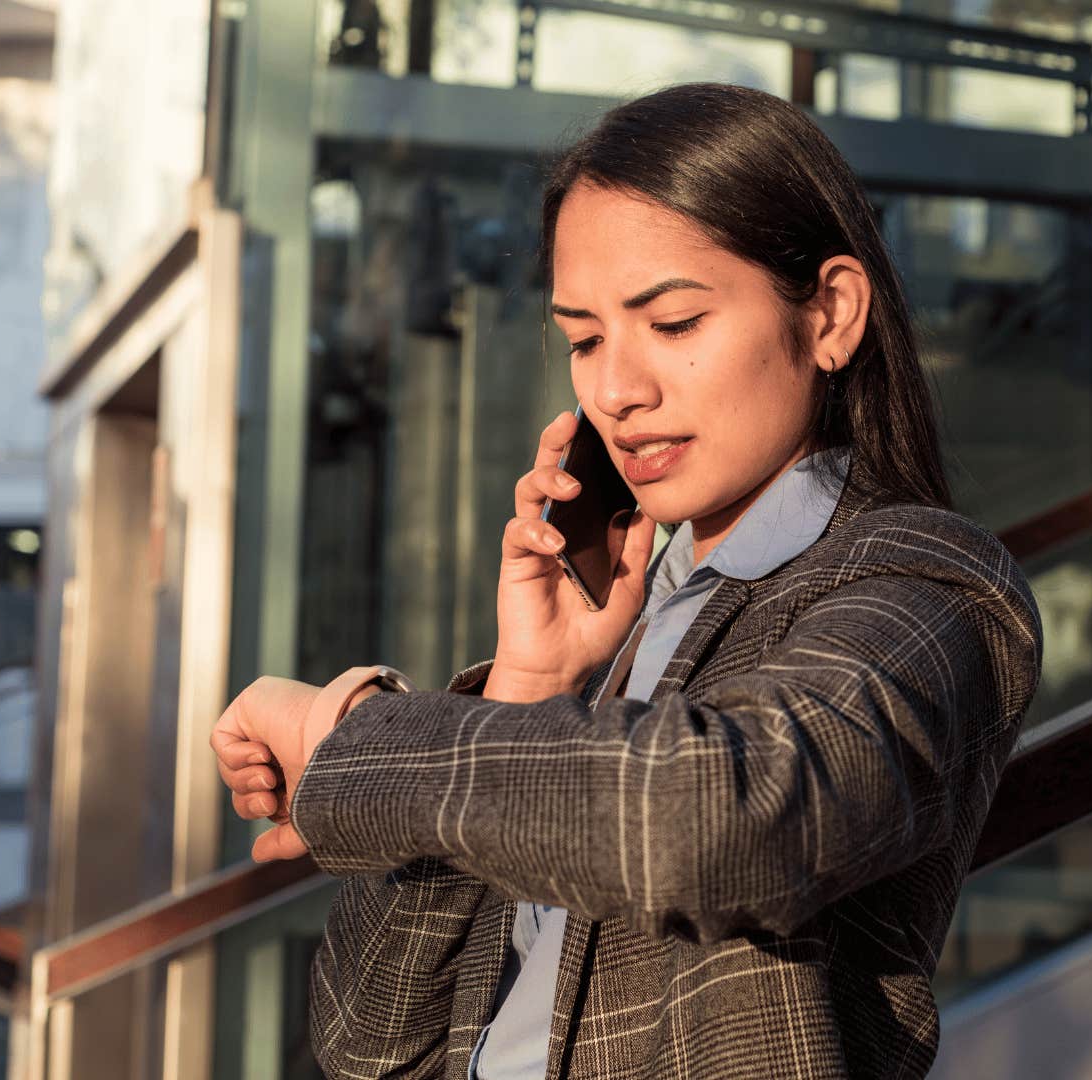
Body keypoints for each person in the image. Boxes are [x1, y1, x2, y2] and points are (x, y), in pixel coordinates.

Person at [211, 81, 1043, 1080]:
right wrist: (524, 686)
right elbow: (370, 1042)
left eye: (675, 323)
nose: (617, 391)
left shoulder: (926, 584)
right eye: (587, 339)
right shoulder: (630, 638)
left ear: (829, 313)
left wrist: (355, 738)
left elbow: (718, 815)